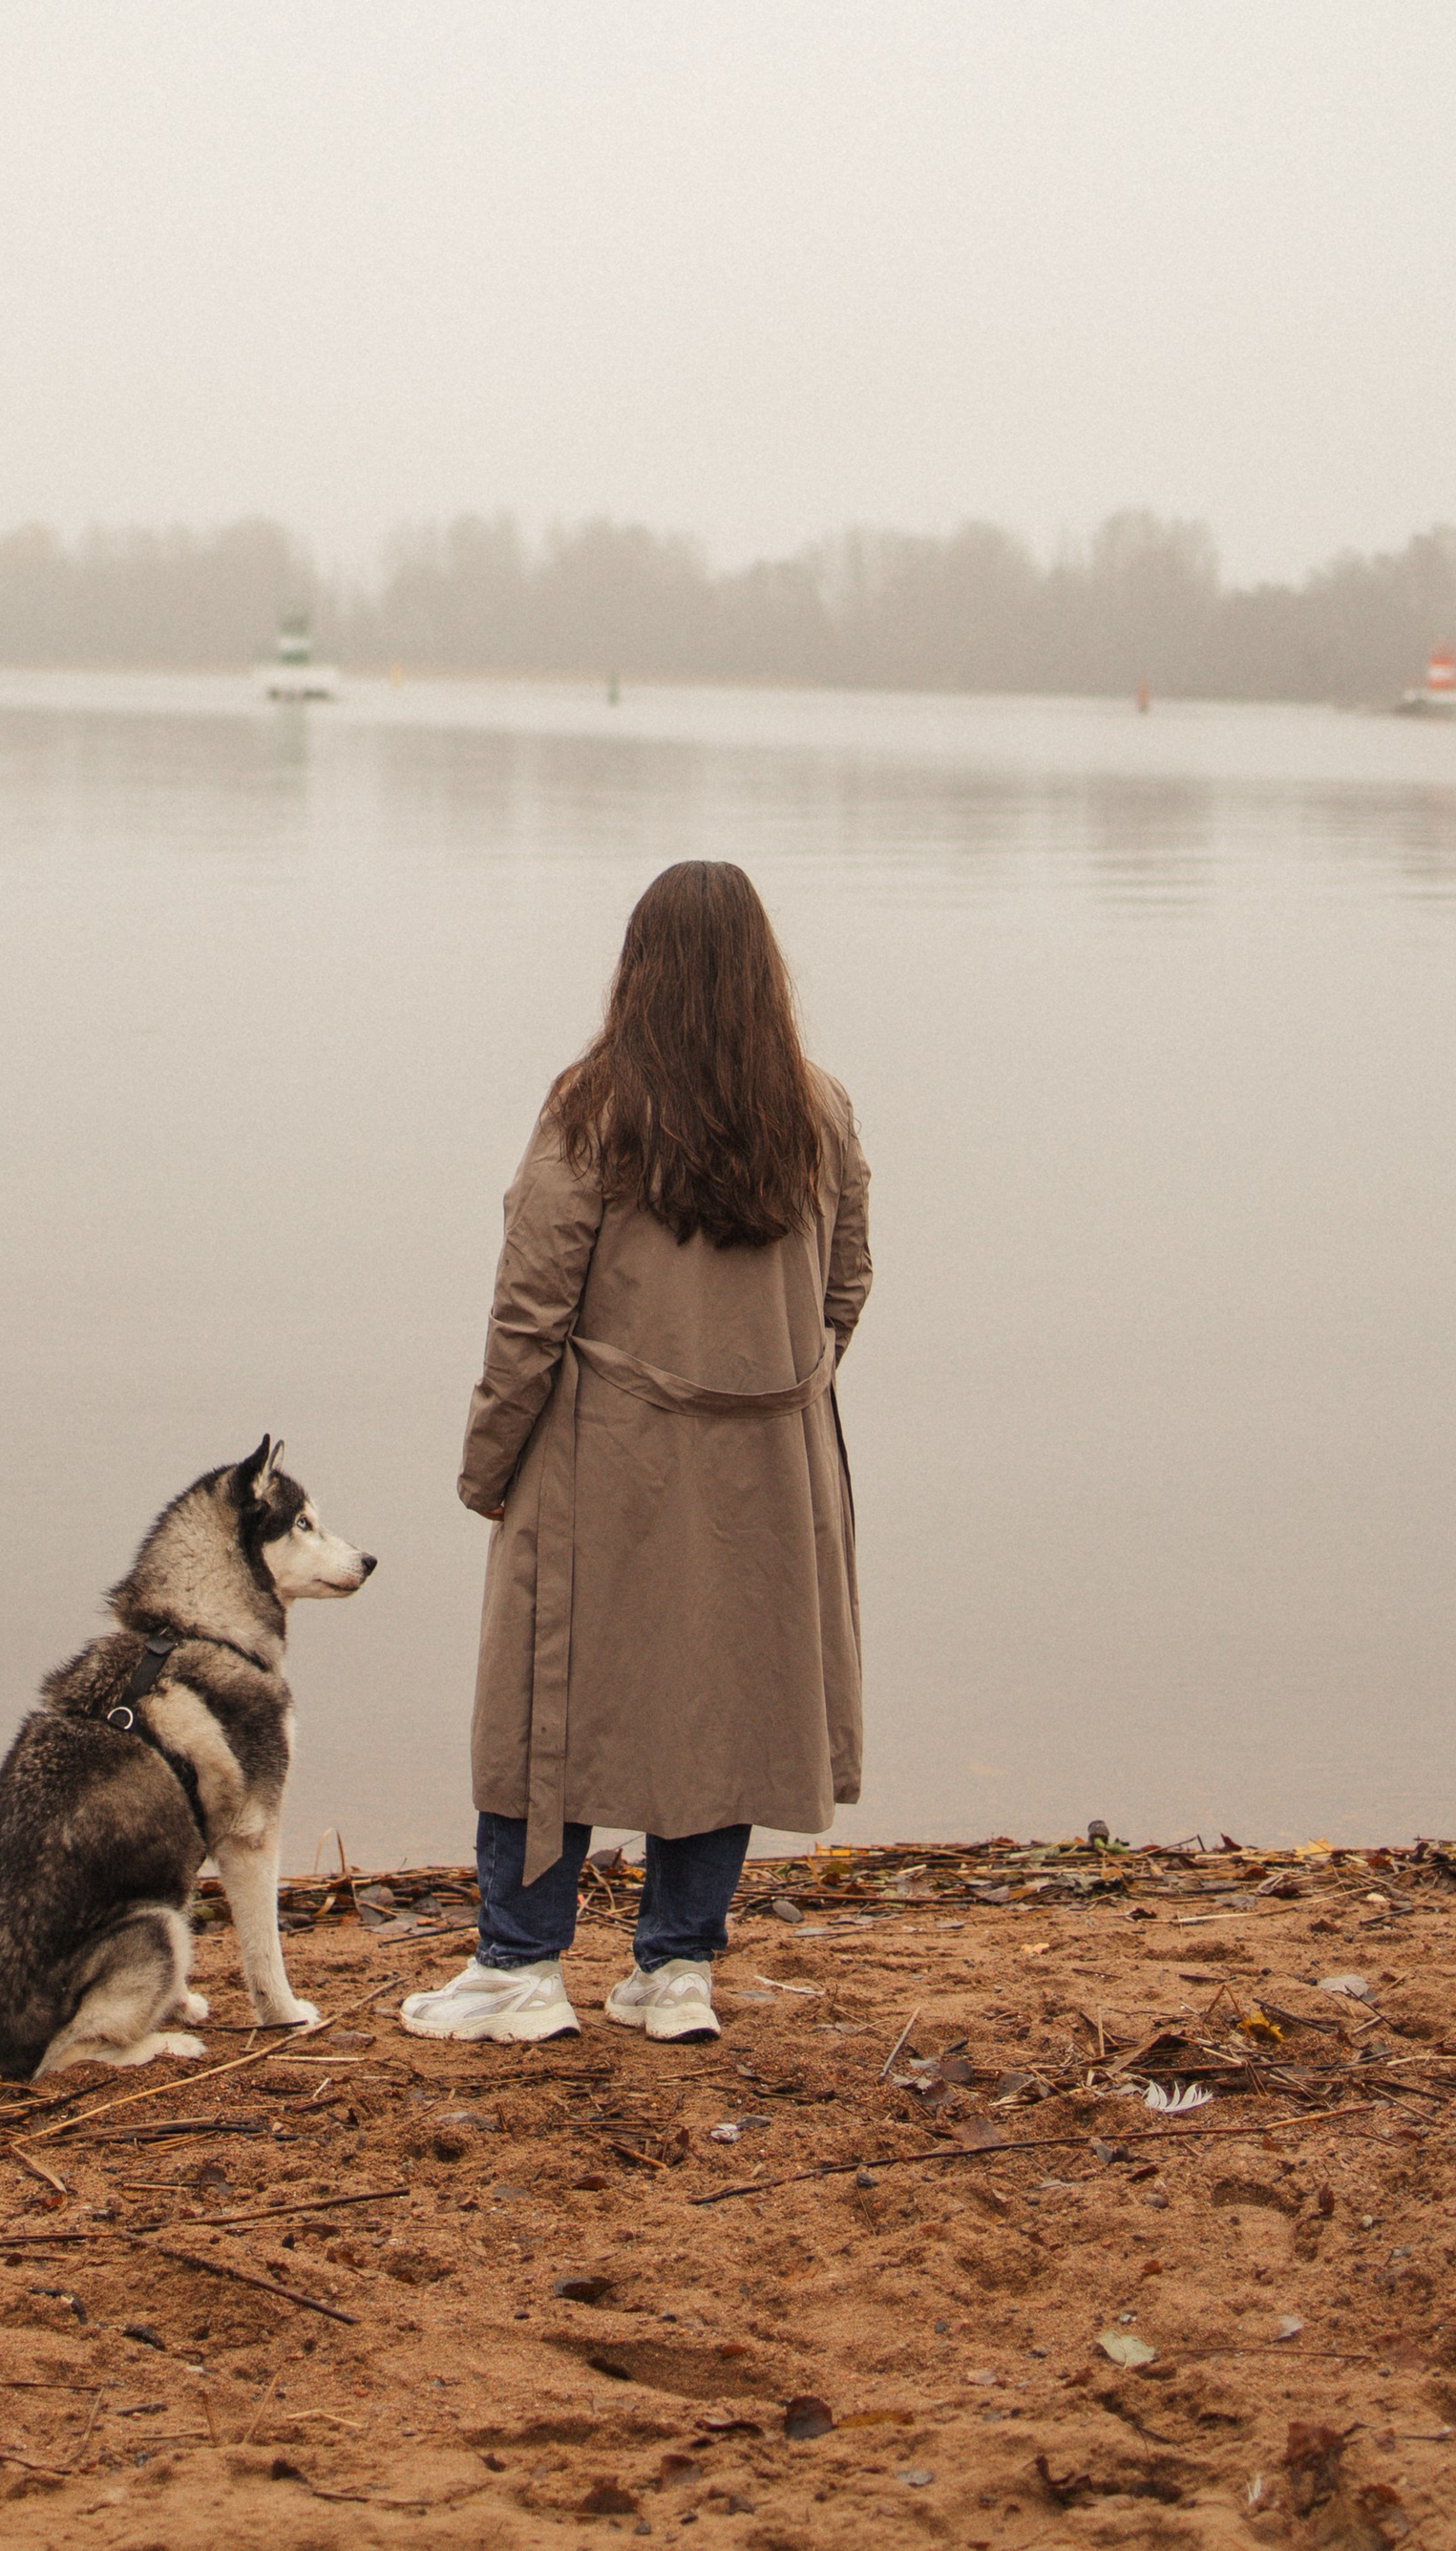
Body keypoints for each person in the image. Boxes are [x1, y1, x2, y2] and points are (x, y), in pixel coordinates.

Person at [402, 859, 872, 2045]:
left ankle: (519, 1968)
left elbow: (529, 1308)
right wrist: (778, 1392)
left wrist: (488, 1464)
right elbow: (846, 1284)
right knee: (725, 1702)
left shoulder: (593, 1109)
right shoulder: (815, 1110)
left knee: (546, 1701)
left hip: (604, 1458)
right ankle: (676, 1973)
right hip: (770, 1468)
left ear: (639, 967)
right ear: (763, 972)